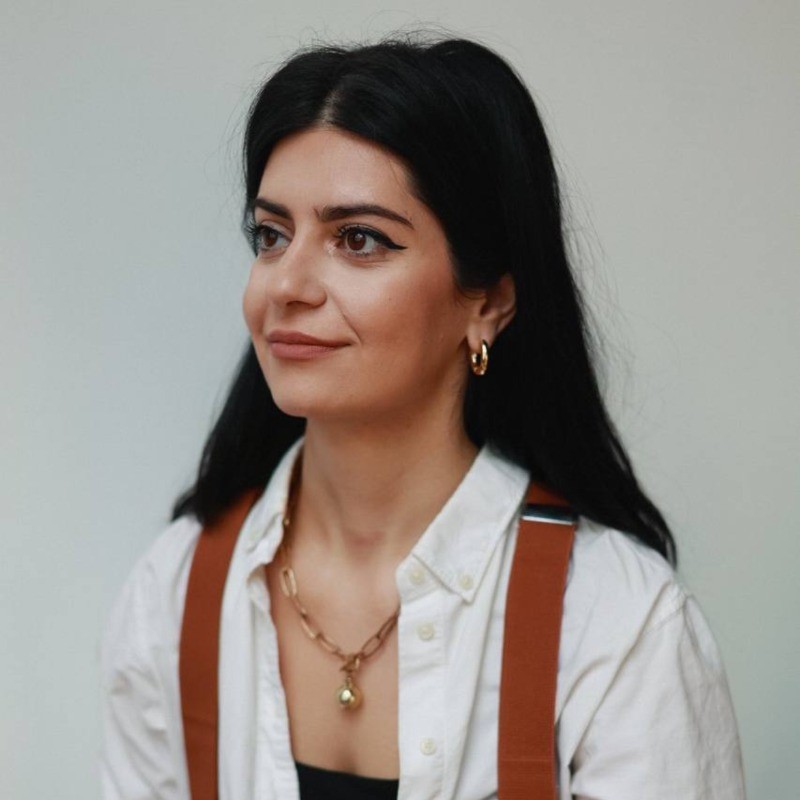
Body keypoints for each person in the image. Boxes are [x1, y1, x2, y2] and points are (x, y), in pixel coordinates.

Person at [99, 32, 746, 799]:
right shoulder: (173, 592)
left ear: (489, 302)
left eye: (359, 239)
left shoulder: (617, 628)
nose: (287, 285)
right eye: (271, 236)